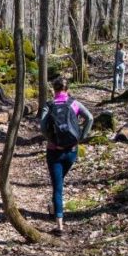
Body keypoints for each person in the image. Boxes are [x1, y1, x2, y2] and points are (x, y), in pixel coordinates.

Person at [40, 76, 93, 236]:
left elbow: (42, 127)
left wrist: (51, 140)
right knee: (60, 182)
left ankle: (59, 225)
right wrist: (81, 136)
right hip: (71, 151)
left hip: (54, 151)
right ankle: (56, 207)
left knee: (57, 187)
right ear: (67, 89)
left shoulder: (48, 106)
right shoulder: (74, 103)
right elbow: (89, 118)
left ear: (53, 90)